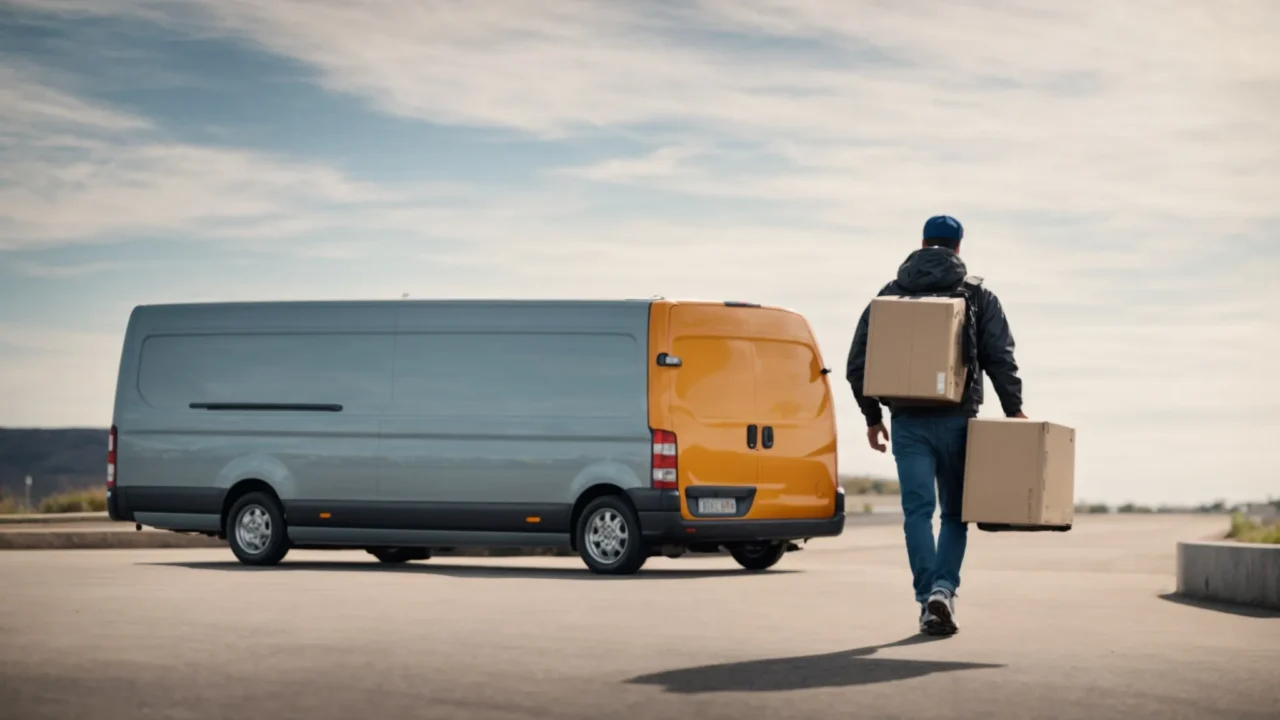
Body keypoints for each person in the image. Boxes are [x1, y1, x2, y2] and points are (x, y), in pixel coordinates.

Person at [845, 215, 1025, 636]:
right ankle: (944, 590)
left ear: (923, 243)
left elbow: (858, 364)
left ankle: (926, 597)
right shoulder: (978, 295)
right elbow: (1000, 357)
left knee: (916, 512)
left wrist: (873, 417)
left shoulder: (887, 296)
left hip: (906, 421)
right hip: (959, 420)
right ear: (958, 247)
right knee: (955, 515)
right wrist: (1014, 409)